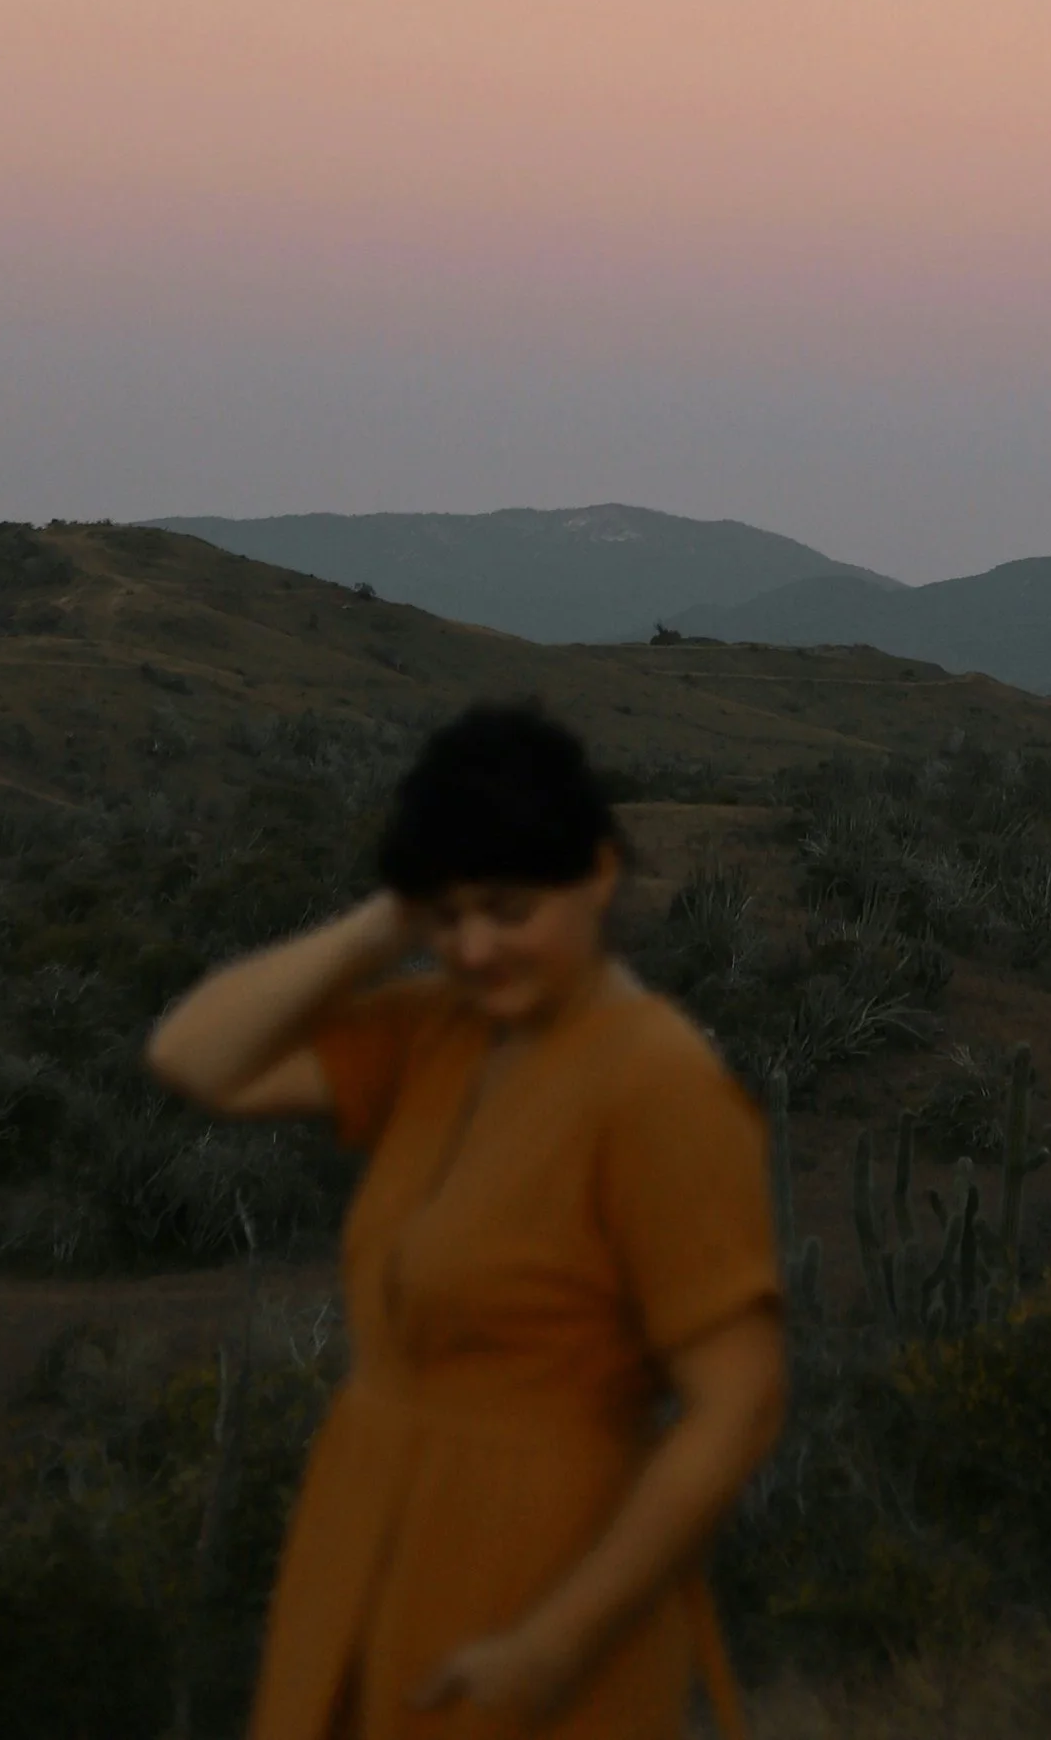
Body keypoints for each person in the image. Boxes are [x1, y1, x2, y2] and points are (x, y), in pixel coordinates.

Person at [147, 705, 786, 1738]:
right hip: (367, 1547)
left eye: (507, 906)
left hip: (532, 1579)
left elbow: (738, 1404)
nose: (476, 948)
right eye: (448, 918)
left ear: (597, 875)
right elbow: (197, 1057)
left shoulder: (656, 1082)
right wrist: (386, 922)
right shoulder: (441, 1032)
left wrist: (558, 1643)